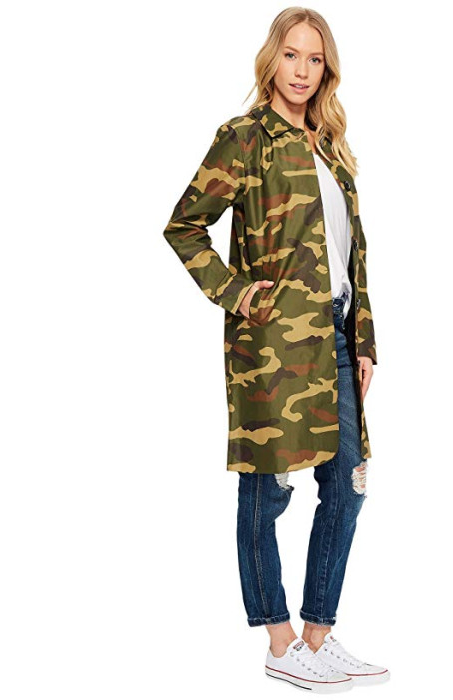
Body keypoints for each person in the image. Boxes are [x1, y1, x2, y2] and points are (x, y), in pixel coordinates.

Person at [163, 8, 388, 693]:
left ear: (327, 69)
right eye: (291, 55)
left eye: (314, 59)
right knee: (267, 491)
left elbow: (353, 254)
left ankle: (318, 635)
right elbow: (184, 227)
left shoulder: (331, 145)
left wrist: (365, 339)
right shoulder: (243, 138)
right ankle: (280, 642)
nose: (301, 70)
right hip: (271, 349)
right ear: (272, 59)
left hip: (336, 340)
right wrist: (237, 294)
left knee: (348, 484)